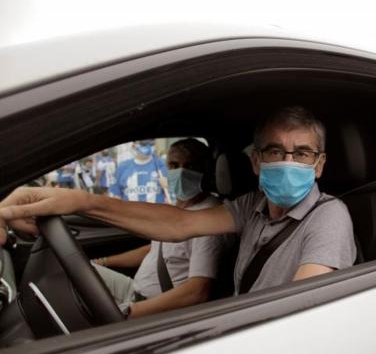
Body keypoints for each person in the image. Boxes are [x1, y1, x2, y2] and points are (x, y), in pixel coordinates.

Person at [0, 106, 356, 297]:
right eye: (276, 151)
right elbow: (178, 224)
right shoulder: (253, 206)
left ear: (319, 165)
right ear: (256, 162)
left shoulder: (329, 217)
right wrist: (76, 201)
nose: (288, 163)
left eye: (303, 153)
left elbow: (301, 308)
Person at [93, 138, 228, 318]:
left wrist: (129, 313)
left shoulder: (208, 218)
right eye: (173, 165)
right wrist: (104, 261)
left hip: (152, 310)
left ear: (205, 170)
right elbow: (156, 250)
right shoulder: (179, 209)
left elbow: (197, 291)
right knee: (75, 271)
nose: (181, 172)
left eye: (190, 166)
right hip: (134, 292)